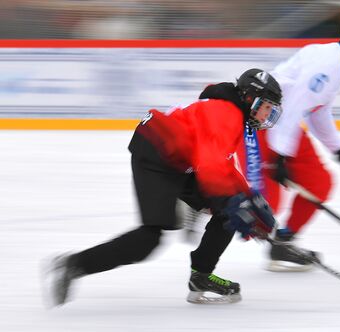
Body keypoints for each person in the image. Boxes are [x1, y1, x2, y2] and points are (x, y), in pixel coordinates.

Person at [43, 68, 283, 306]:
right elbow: (211, 167)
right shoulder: (226, 114)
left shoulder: (231, 113)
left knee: (232, 207)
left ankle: (201, 276)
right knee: (148, 240)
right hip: (155, 157)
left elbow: (222, 162)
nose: (267, 116)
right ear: (251, 99)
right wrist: (235, 203)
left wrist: (246, 198)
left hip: (181, 161)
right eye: (267, 108)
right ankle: (72, 265)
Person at [241, 7, 340, 271]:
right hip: (261, 125)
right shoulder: (327, 64)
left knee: (318, 183)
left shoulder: (336, 64)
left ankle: (283, 243)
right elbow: (295, 105)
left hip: (282, 127)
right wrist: (280, 156)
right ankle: (203, 200)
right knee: (265, 207)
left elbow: (318, 112)